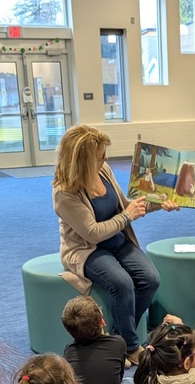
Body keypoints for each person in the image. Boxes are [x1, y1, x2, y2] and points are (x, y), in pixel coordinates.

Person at [53, 125, 179, 365]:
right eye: (100, 155)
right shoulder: (64, 192)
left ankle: (118, 338)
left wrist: (158, 203)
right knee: (122, 283)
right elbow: (92, 232)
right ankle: (131, 346)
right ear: (83, 160)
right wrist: (127, 217)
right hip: (86, 249)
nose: (106, 159)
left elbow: (126, 205)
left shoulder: (104, 171)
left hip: (117, 240)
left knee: (151, 279)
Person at [62, 296, 134, 384]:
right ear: (103, 321)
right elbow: (118, 378)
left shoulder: (69, 350)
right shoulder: (118, 343)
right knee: (131, 382)